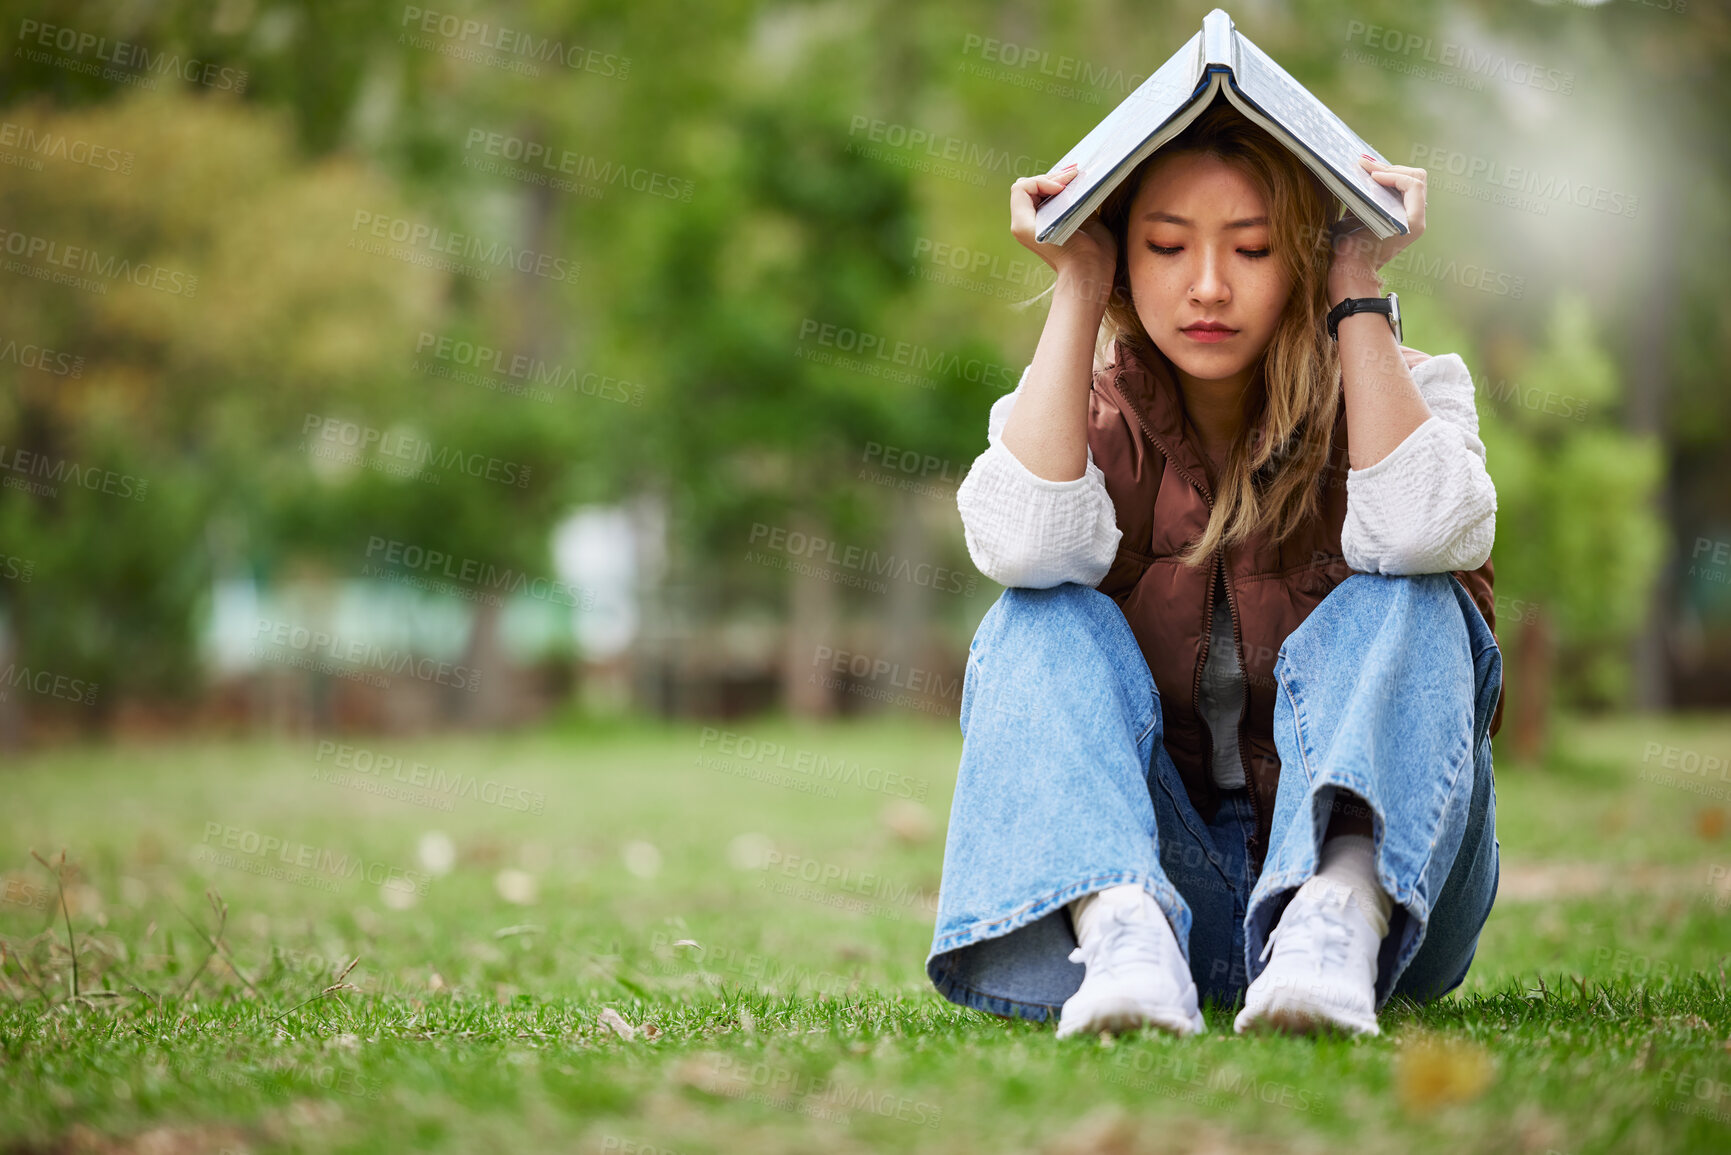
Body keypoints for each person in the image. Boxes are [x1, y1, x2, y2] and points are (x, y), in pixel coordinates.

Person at [924, 98, 1505, 1039]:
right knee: (1035, 614)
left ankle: (1332, 923)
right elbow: (1021, 549)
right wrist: (1076, 279)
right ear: (1124, 256)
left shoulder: (1414, 387)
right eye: (1163, 247)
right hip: (1161, 889)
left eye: (1252, 247)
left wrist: (1354, 271)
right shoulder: (1081, 420)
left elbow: (1419, 535)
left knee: (1414, 590)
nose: (1206, 285)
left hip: (1393, 898)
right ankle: (1121, 935)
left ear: (1301, 260)